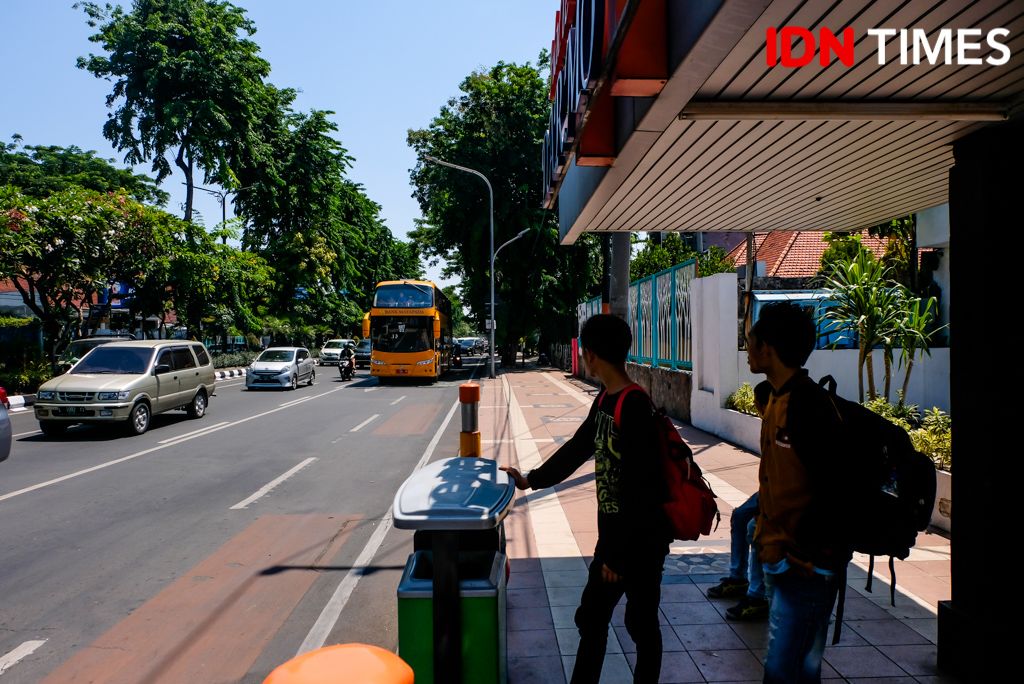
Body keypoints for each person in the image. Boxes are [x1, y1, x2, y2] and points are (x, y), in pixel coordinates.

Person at [501, 314, 671, 684]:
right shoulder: (607, 400)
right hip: (620, 541)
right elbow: (579, 448)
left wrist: (615, 554)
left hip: (639, 542)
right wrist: (531, 479)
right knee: (594, 618)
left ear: (589, 354)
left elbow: (643, 488)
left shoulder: (634, 405)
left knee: (637, 624)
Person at [748, 302, 848, 683]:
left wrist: (803, 552)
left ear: (768, 348)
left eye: (750, 342)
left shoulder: (807, 405)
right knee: (801, 670)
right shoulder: (775, 398)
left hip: (804, 564)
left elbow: (835, 486)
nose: (748, 351)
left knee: (782, 671)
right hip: (784, 557)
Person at [706, 491, 768, 621]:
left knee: (756, 528)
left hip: (789, 489)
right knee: (740, 516)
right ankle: (738, 579)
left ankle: (757, 596)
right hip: (771, 487)